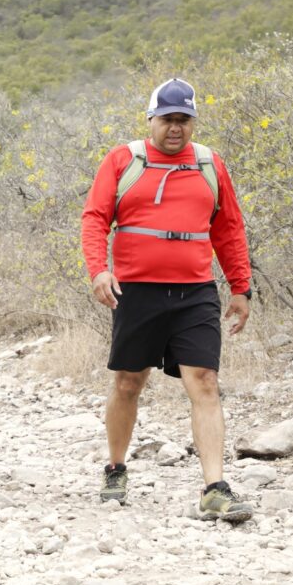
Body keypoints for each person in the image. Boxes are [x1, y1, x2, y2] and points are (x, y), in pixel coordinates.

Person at [80, 78, 254, 522]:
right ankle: (115, 468)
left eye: (184, 119)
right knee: (128, 382)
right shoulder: (124, 160)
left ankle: (214, 488)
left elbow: (228, 228)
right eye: (167, 119)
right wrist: (99, 270)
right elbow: (95, 218)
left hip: (195, 292)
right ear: (151, 119)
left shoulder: (209, 164)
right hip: (136, 291)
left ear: (192, 122)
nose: (175, 127)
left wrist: (241, 287)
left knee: (205, 381)